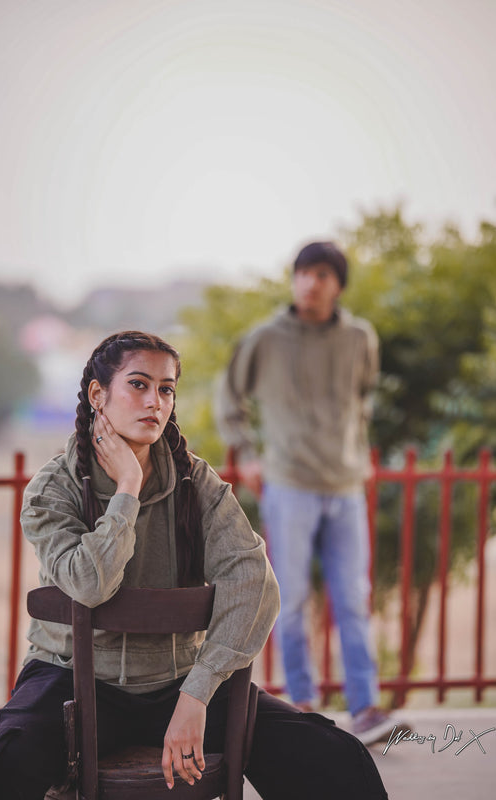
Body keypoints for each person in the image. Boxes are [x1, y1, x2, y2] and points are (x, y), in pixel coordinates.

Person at [0, 330, 388, 800]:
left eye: (166, 389)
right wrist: (127, 486)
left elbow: (254, 580)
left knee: (336, 758)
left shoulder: (195, 482)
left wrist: (197, 694)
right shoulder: (53, 489)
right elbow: (88, 584)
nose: (155, 401)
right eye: (139, 384)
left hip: (181, 684)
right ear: (98, 394)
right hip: (74, 680)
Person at [216, 241, 394, 745]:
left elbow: (362, 400)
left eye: (322, 275)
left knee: (354, 601)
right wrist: (247, 452)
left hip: (346, 488)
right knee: (289, 600)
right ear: (293, 280)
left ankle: (366, 710)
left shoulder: (360, 338)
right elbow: (230, 396)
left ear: (338, 285)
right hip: (290, 486)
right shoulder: (266, 339)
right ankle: (304, 706)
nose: (311, 283)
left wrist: (358, 453)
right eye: (303, 273)